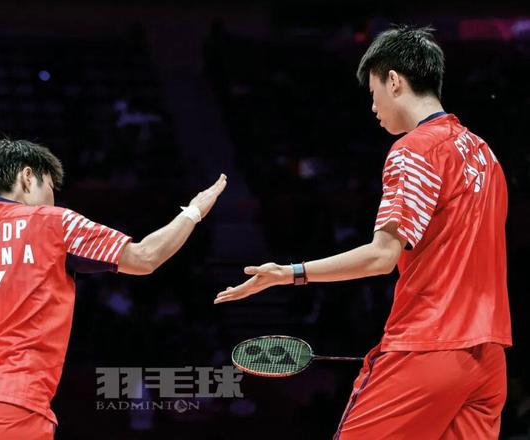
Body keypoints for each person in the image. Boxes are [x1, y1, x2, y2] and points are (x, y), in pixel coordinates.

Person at [214, 25, 511, 439]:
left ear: (394, 81)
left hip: (426, 344)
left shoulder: (415, 150)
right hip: (489, 357)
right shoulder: (485, 155)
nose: (372, 107)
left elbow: (381, 257)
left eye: (373, 93)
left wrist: (289, 272)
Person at [0, 139, 227, 439]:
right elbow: (145, 258)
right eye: (51, 188)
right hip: (12, 405)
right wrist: (193, 212)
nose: (53, 200)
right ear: (28, 176)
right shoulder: (55, 223)